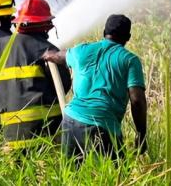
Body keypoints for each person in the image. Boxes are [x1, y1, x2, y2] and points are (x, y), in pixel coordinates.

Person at [43, 14, 147, 161]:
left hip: (70, 121)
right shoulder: (130, 60)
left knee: (71, 178)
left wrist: (47, 55)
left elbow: (58, 56)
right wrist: (141, 134)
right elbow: (137, 100)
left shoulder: (81, 50)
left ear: (104, 33)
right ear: (128, 37)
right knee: (119, 177)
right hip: (102, 126)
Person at [0, 0, 71, 150]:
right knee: (43, 173)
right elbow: (63, 86)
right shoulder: (49, 50)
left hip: (11, 135)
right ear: (44, 24)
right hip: (46, 133)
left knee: (17, 171)